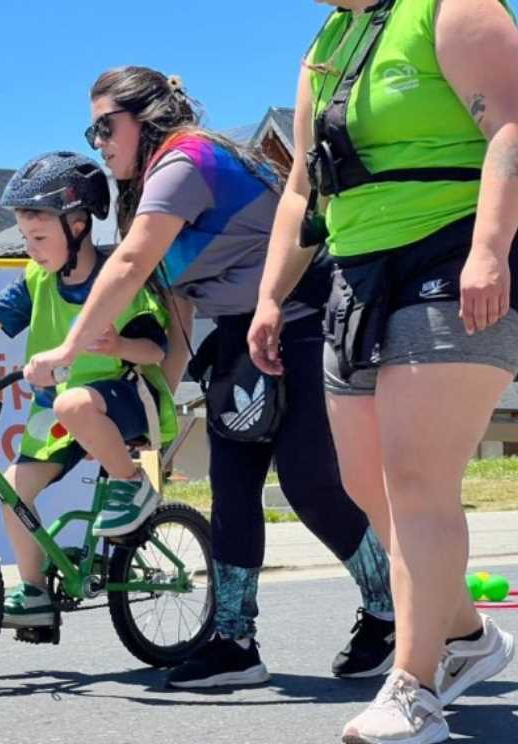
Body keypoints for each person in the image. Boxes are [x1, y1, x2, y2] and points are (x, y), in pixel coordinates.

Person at [22, 66, 395, 687]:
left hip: (304, 322)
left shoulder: (185, 160)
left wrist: (68, 347)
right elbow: (176, 302)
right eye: (90, 132)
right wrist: (158, 403)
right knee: (232, 487)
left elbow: (133, 265)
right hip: (238, 336)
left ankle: (389, 611)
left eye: (105, 127)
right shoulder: (149, 185)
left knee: (308, 483)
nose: (99, 142)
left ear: (145, 119)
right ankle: (233, 641)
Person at [247, 1, 518, 741]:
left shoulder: (452, 8)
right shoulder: (328, 42)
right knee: (368, 484)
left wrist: (490, 247)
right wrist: (270, 298)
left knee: (415, 480)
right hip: (355, 274)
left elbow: (511, 129)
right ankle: (468, 637)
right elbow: (304, 185)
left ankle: (414, 687)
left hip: (451, 255)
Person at [0, 151, 179, 627]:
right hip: (60, 413)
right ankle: (35, 593)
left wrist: (120, 342)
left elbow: (156, 351)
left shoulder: (116, 279)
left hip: (122, 400)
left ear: (79, 225)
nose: (32, 248)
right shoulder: (38, 279)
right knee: (14, 490)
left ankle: (130, 483)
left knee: (72, 401)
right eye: (26, 238)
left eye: (39, 237)